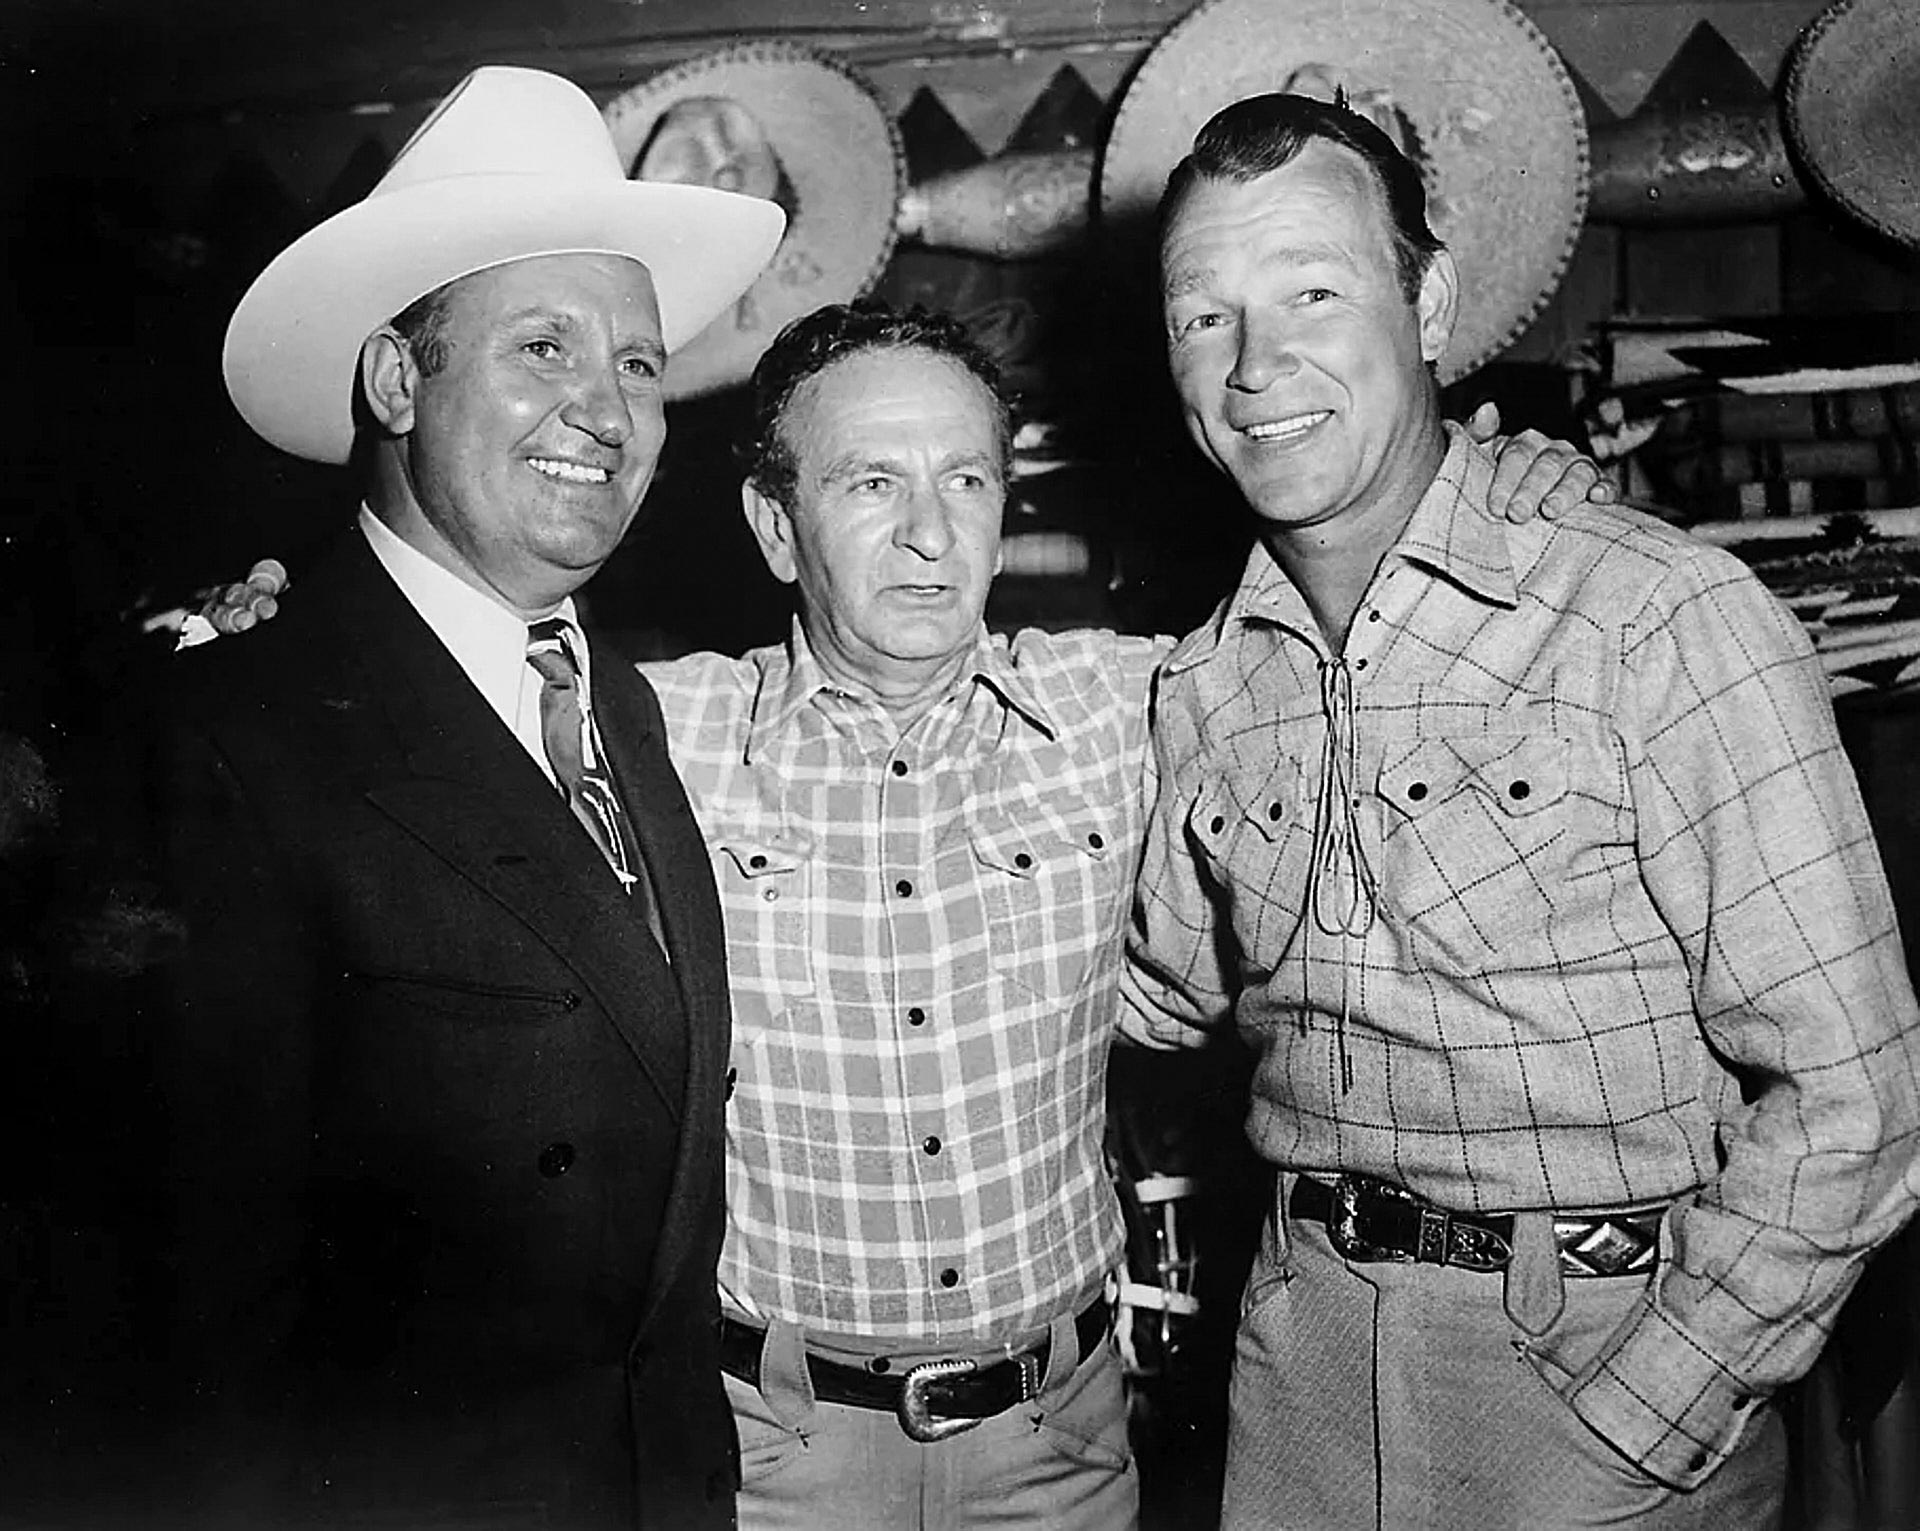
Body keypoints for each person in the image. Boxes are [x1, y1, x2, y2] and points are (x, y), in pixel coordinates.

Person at [196, 298, 1608, 1530]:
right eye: (872, 482)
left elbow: (1362, 642)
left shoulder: (1132, 707)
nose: (930, 534)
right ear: (775, 526)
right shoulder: (652, 737)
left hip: (1059, 1447)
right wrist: (269, 632)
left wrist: (1493, 484)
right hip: (768, 1457)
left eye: (967, 480)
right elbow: (419, 699)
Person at [1121, 91, 1920, 1531]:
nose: (1255, 365)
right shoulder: (1207, 686)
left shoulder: (1655, 617)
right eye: (1204, 316)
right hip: (1296, 1377)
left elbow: (1858, 1088)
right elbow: (1145, 993)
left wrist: (1660, 1401)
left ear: (1428, 305)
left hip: (1592, 1372)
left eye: (1313, 291)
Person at [129, 65, 784, 1530]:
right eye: (543, 345)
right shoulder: (225, 738)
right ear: (395, 380)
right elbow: (194, 1330)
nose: (606, 411)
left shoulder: (622, 706)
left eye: (637, 363)